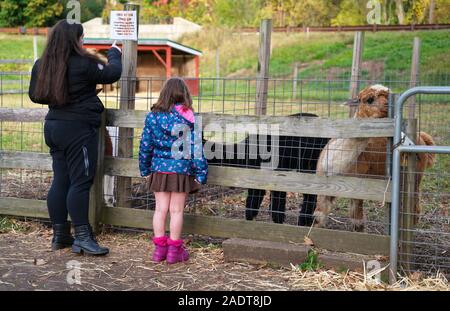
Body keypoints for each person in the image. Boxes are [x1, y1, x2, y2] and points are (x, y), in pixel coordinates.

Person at [28, 20, 122, 256]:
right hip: (77, 130)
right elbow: (112, 73)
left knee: (61, 179)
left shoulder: (42, 65)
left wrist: (65, 97)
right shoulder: (83, 63)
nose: (83, 42)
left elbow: (35, 96)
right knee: (81, 181)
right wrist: (115, 52)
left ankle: (60, 235)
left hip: (53, 127)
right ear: (74, 40)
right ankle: (83, 237)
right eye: (81, 38)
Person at [139, 77, 208, 264]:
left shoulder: (153, 117)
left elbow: (146, 145)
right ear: (184, 94)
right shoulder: (190, 117)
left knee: (160, 209)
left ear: (164, 94)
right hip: (180, 170)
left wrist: (144, 168)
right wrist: (201, 173)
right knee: (176, 211)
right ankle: (174, 252)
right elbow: (196, 149)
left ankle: (159, 251)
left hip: (159, 170)